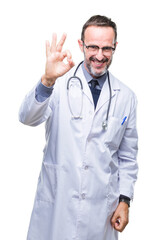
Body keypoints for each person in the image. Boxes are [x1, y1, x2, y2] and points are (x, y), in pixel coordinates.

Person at [19, 15, 138, 240]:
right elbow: (27, 117)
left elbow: (128, 156)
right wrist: (46, 80)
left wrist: (124, 200)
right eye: (93, 47)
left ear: (115, 47)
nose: (100, 55)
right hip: (57, 207)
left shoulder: (126, 97)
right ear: (81, 45)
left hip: (100, 212)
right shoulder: (58, 84)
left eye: (107, 48)